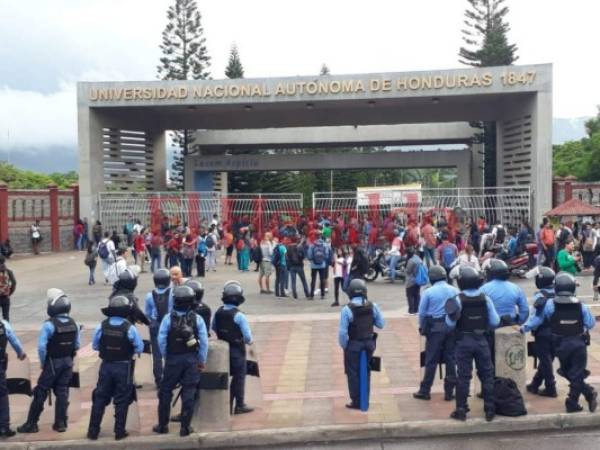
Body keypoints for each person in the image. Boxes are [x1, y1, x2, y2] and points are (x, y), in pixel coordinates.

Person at [523, 272, 597, 413]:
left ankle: (581, 397)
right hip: (578, 343)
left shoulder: (550, 304)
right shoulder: (581, 305)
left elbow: (537, 319)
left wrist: (524, 328)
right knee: (576, 373)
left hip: (560, 344)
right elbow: (590, 323)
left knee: (567, 371)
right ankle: (576, 399)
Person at [18, 289, 80, 434]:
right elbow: (76, 345)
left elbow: (41, 347)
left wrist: (42, 361)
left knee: (41, 390)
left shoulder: (49, 325)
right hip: (68, 362)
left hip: (53, 362)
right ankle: (61, 423)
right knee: (62, 390)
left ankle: (31, 424)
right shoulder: (74, 323)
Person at [445, 266, 500, 422]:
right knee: (487, 374)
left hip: (463, 341)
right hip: (481, 340)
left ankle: (461, 409)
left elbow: (449, 324)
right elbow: (495, 321)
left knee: (463, 376)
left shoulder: (457, 299)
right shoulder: (485, 298)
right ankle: (490, 409)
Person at [153, 286, 208, 436]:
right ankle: (185, 427)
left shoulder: (167, 318)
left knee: (165, 392)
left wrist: (167, 356)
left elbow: (161, 340)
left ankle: (163, 425)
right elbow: (203, 342)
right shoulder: (197, 319)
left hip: (172, 359)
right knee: (189, 392)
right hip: (191, 360)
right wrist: (201, 360)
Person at [87, 295, 144, 440]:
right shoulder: (129, 328)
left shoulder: (102, 325)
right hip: (124, 367)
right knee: (122, 399)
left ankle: (93, 431)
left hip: (106, 365)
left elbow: (94, 345)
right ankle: (119, 431)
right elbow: (139, 347)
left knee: (100, 397)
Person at [338, 279, 385, 410]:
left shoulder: (347, 310)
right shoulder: (373, 306)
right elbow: (381, 324)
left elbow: (342, 333)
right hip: (369, 344)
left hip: (353, 345)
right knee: (367, 371)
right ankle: (366, 399)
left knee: (353, 373)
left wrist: (345, 346)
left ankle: (356, 401)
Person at [414, 265, 459, 401]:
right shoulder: (454, 290)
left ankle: (425, 390)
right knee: (451, 359)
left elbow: (422, 313)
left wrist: (422, 327)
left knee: (431, 360)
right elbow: (458, 308)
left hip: (434, 328)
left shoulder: (428, 292)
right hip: (451, 327)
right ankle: (449, 392)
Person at [213, 281, 254, 414]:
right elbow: (247, 337)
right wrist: (250, 342)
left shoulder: (218, 312)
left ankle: (223, 404)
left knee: (224, 376)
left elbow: (213, 327)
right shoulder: (239, 315)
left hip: (222, 349)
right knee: (239, 376)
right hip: (237, 349)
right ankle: (239, 404)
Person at [521, 267, 558, 397]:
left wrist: (524, 328)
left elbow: (537, 318)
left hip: (543, 332)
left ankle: (551, 388)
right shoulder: (559, 292)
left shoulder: (540, 296)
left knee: (545, 360)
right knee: (547, 360)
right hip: (558, 332)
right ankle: (535, 384)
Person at [144, 269, 172, 388]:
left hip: (155, 324)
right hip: (170, 323)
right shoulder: (172, 293)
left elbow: (147, 313)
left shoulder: (149, 295)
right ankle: (169, 377)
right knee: (170, 351)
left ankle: (158, 378)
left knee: (156, 353)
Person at [481, 259, 529, 327]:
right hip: (512, 325)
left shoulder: (484, 289)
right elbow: (525, 310)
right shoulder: (516, 288)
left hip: (492, 327)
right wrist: (519, 322)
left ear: (490, 273)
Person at [0, 317, 27, 438]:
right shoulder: (3, 324)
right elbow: (13, 340)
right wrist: (20, 352)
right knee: (2, 394)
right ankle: (4, 427)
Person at [307, 231, 331, 300]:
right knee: (322, 279)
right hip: (322, 265)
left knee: (313, 280)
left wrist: (312, 260)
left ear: (315, 236)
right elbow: (326, 255)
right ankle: (322, 295)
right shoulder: (325, 245)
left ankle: (311, 295)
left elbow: (309, 255)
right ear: (321, 236)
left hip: (313, 265)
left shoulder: (312, 245)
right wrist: (323, 260)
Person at [405, 247, 423, 315]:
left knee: (410, 295)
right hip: (418, 280)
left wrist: (404, 270)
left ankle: (411, 311)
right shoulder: (418, 258)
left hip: (411, 281)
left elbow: (408, 271)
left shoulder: (411, 261)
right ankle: (417, 310)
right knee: (417, 295)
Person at [0, 256, 16, 321]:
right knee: (6, 317)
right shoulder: (8, 271)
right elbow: (14, 283)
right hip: (5, 297)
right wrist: (9, 292)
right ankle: (6, 330)